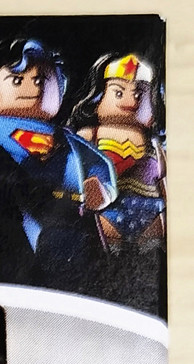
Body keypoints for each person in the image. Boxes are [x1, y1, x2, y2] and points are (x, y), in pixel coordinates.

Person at [0, 36, 114, 283]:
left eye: (41, 80)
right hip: (7, 221)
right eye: (17, 80)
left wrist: (102, 192)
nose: (33, 89)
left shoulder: (70, 142)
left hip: (68, 223)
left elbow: (100, 169)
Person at [69, 53, 165, 254]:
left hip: (152, 212)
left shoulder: (154, 145)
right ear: (97, 98)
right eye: (119, 93)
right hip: (106, 213)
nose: (131, 101)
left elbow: (164, 179)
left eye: (140, 95)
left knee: (150, 257)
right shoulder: (91, 135)